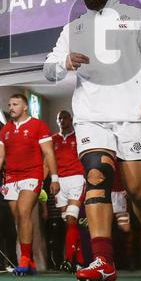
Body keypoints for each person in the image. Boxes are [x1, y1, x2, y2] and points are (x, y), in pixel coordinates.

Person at [43, 0, 141, 281]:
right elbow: (49, 67)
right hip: (91, 117)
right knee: (96, 177)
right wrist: (64, 63)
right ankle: (103, 260)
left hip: (133, 115)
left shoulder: (138, 17)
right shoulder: (74, 27)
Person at [0, 94, 60, 276]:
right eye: (9, 104)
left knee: (24, 211)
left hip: (32, 175)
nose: (11, 107)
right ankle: (31, 260)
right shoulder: (6, 130)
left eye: (15, 104)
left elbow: (49, 153)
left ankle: (25, 259)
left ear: (25, 107)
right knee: (18, 217)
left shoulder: (38, 126)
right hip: (11, 178)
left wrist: (55, 177)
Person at [51, 110, 86, 272]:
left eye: (64, 117)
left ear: (70, 119)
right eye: (59, 118)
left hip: (77, 178)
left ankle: (69, 259)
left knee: (72, 219)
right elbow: (48, 162)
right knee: (68, 223)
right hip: (60, 181)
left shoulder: (78, 137)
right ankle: (79, 259)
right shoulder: (53, 139)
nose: (62, 120)